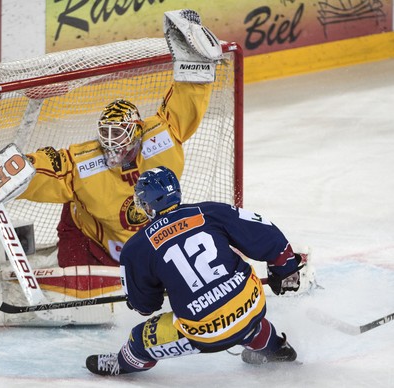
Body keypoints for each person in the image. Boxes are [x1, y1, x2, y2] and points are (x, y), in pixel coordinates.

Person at [18, 9, 223, 268]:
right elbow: (53, 167)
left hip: (145, 241)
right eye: (106, 133)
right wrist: (18, 171)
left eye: (119, 133)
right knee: (82, 300)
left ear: (137, 131)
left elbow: (183, 108)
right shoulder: (84, 161)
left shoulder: (162, 135)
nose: (111, 142)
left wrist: (195, 70)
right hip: (89, 238)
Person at [86, 166, 302, 376]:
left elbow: (146, 306)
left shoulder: (136, 247)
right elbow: (265, 234)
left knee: (140, 338)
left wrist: (144, 296)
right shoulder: (209, 211)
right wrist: (283, 269)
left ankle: (123, 363)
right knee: (241, 309)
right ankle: (275, 348)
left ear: (147, 205)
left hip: (207, 331)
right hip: (253, 303)